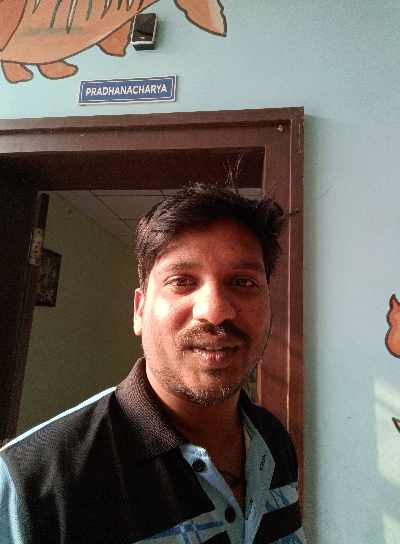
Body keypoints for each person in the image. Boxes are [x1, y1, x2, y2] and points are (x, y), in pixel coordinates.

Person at [0, 183, 306, 543]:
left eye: (243, 281)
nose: (215, 310)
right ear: (140, 310)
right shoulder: (31, 483)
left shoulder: (274, 440)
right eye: (182, 281)